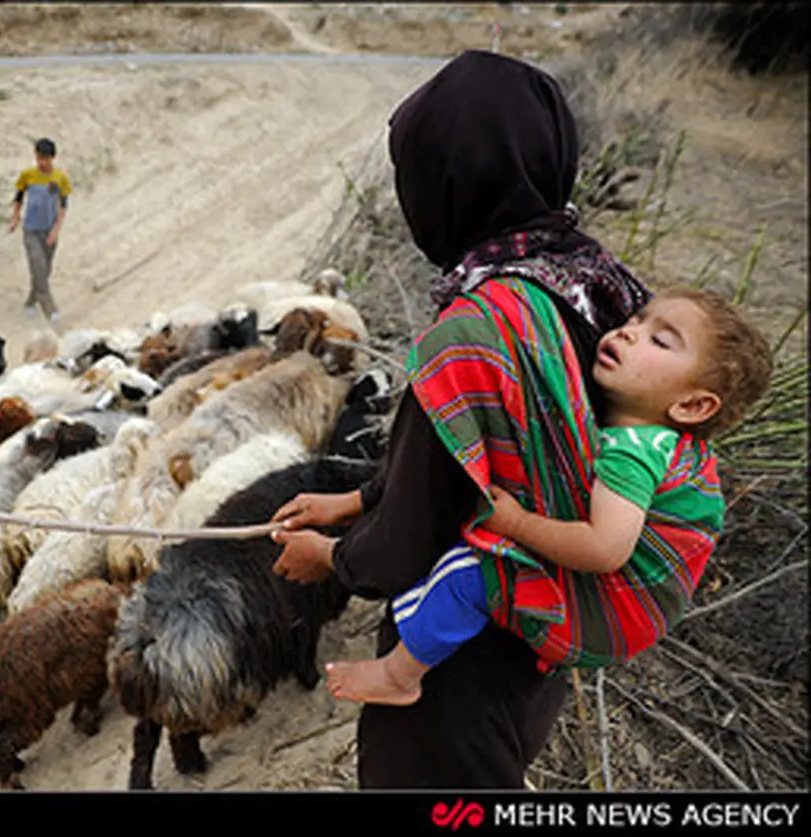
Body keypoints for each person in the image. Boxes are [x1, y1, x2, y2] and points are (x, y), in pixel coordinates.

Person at [267, 48, 657, 789]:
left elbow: (417, 526)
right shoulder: (593, 279)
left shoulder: (476, 330)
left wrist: (332, 558)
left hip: (452, 664)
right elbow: (478, 460)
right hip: (539, 635)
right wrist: (356, 501)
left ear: (444, 183)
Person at [323, 287, 772, 706]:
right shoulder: (677, 447)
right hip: (641, 616)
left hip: (611, 614)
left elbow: (604, 548)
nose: (630, 331)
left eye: (661, 341)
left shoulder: (632, 453)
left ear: (692, 407)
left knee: (469, 573)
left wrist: (516, 523)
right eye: (639, 317)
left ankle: (401, 675)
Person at [8, 137, 72, 322]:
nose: (42, 162)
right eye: (39, 158)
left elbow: (63, 206)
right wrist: (15, 217)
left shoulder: (60, 179)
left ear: (52, 158)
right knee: (38, 266)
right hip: (31, 230)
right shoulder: (27, 175)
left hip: (49, 231)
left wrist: (56, 230)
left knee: (44, 270)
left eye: (46, 159)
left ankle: (30, 302)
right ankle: (50, 310)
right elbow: (18, 197)